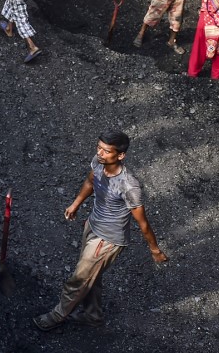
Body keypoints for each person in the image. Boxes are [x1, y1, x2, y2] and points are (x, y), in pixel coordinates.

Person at [34, 132, 168, 331]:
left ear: (120, 155)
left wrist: (155, 250)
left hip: (108, 240)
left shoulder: (129, 186)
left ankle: (57, 315)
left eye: (107, 151)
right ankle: (92, 315)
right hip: (93, 226)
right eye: (99, 148)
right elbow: (90, 182)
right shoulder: (98, 163)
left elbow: (143, 223)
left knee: (79, 280)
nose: (100, 153)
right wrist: (76, 204)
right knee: (91, 276)